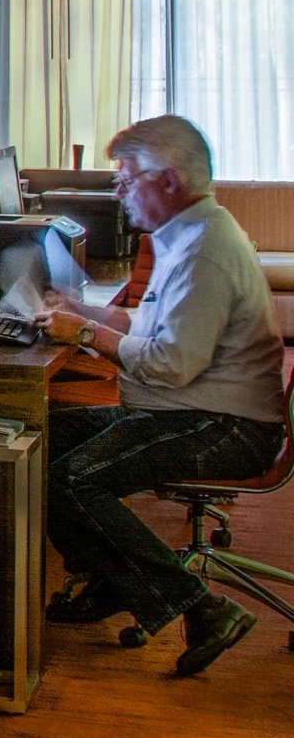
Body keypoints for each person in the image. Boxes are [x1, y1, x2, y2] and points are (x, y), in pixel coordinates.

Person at [33, 114, 287, 676]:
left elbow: (170, 364)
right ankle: (113, 579)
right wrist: (80, 310)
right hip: (198, 409)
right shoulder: (190, 234)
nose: (118, 193)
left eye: (126, 180)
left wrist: (84, 334)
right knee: (41, 438)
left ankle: (202, 608)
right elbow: (151, 328)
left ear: (168, 181)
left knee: (72, 478)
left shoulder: (204, 252)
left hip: (227, 427)